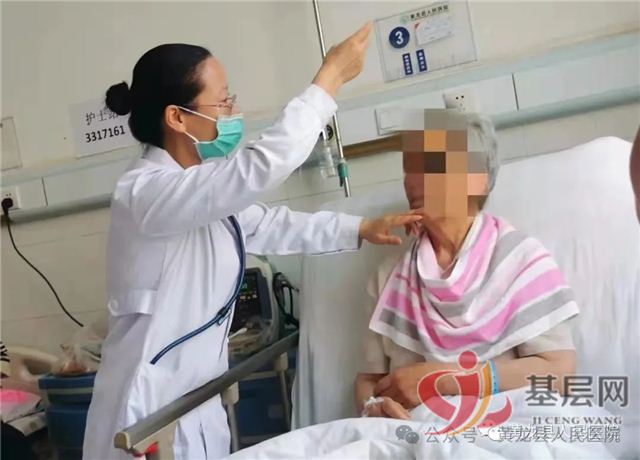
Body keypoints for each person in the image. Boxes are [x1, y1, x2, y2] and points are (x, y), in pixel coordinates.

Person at [83, 23, 423, 460]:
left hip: (193, 405)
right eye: (222, 101)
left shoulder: (196, 189)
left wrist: (360, 228)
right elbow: (260, 167)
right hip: (146, 413)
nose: (232, 111)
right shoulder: (146, 193)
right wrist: (329, 81)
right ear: (177, 117)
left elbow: (270, 225)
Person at [354, 110, 578, 419]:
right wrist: (373, 409)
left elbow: (560, 372)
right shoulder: (388, 280)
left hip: (506, 423)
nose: (413, 180)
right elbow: (368, 380)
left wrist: (443, 380)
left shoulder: (520, 262)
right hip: (412, 431)